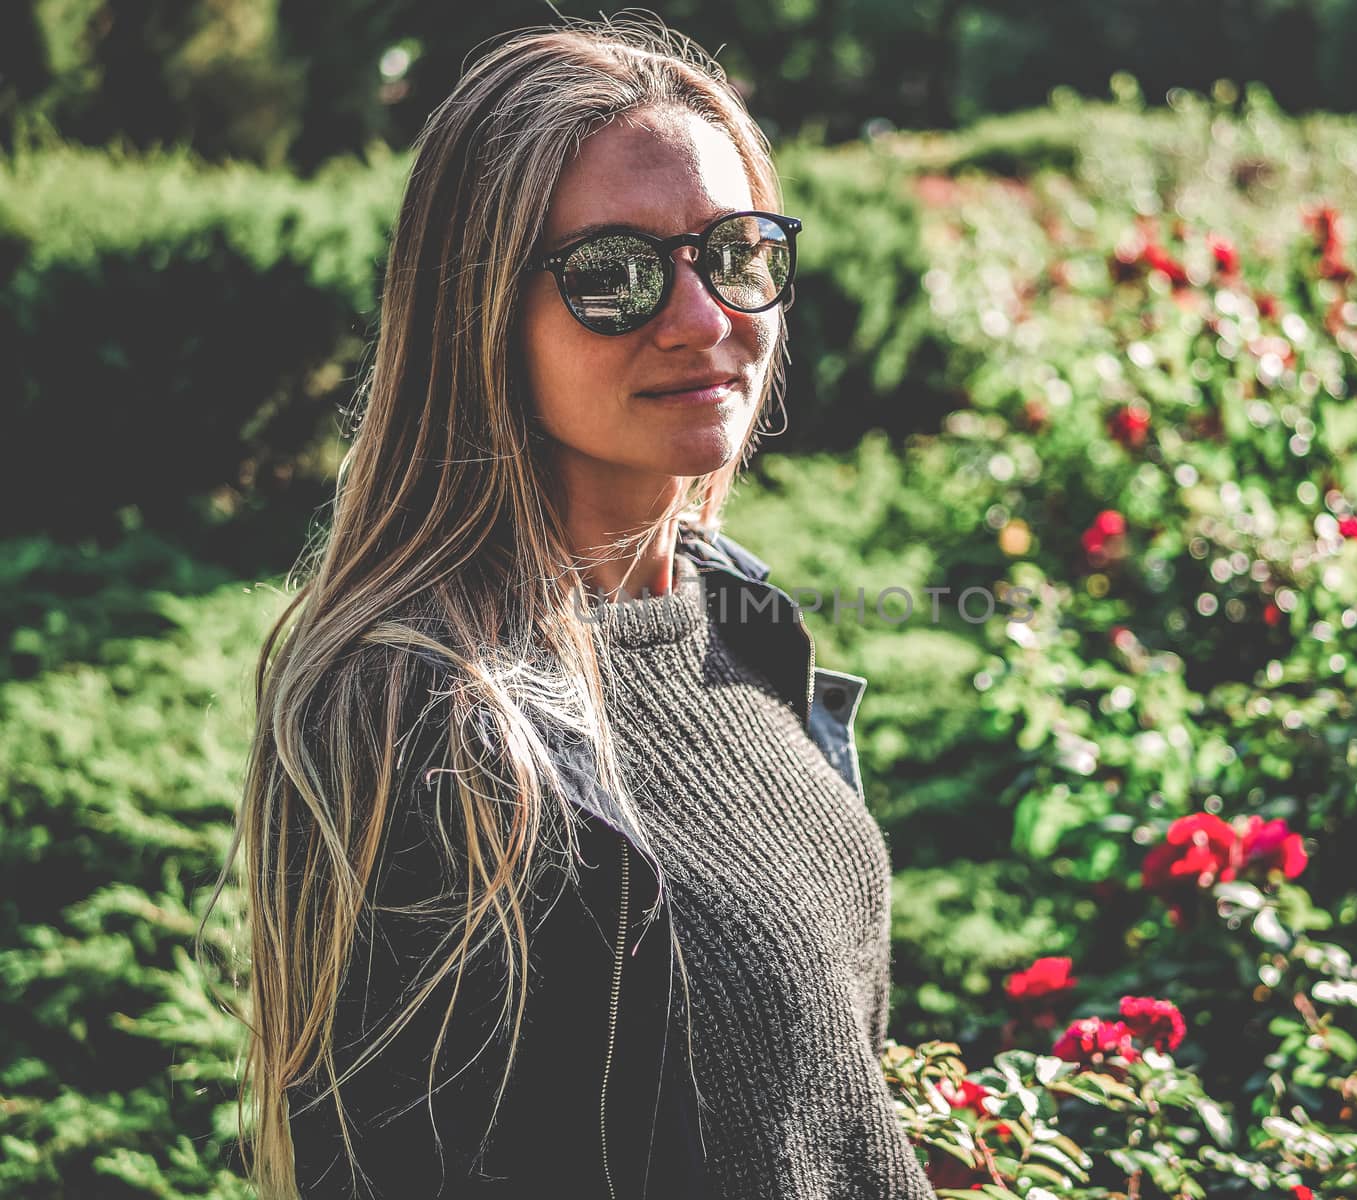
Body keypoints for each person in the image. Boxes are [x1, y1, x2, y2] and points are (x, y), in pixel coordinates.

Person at [217, 15, 941, 1200]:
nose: (706, 318)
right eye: (614, 274)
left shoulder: (734, 611)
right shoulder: (427, 718)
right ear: (481, 315)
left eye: (736, 251)